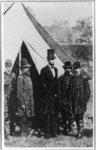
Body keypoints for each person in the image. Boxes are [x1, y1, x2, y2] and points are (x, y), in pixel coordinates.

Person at [69, 61, 91, 139]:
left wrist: (83, 101)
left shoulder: (84, 78)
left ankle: (80, 132)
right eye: (74, 68)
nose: (75, 70)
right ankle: (78, 130)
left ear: (80, 69)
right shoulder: (72, 79)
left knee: (80, 117)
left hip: (80, 102)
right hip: (74, 102)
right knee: (75, 116)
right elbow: (70, 92)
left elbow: (88, 92)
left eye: (77, 68)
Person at [40, 49, 59, 139]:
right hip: (47, 97)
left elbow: (56, 83)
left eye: (53, 59)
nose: (53, 61)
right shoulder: (43, 70)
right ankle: (47, 134)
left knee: (54, 115)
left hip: (54, 97)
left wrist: (55, 94)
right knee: (47, 115)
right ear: (48, 60)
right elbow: (41, 84)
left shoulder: (56, 69)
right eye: (51, 59)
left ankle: (54, 133)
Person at [17, 58, 35, 136]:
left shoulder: (28, 77)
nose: (28, 69)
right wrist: (22, 104)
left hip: (29, 101)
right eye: (26, 67)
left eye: (28, 67)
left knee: (28, 117)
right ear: (23, 69)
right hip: (24, 102)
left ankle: (26, 132)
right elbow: (19, 92)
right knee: (23, 118)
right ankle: (22, 133)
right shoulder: (20, 78)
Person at [59, 61, 74, 135]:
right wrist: (60, 99)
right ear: (64, 69)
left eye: (69, 68)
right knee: (64, 115)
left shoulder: (73, 78)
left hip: (71, 100)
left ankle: (71, 127)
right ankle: (65, 128)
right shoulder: (61, 78)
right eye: (66, 68)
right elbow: (59, 90)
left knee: (71, 114)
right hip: (64, 100)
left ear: (71, 69)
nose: (68, 70)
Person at [4, 59, 18, 136]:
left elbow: (15, 87)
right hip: (6, 98)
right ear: (5, 66)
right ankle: (6, 132)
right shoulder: (3, 75)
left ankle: (12, 131)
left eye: (10, 66)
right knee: (6, 116)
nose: (9, 68)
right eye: (7, 66)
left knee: (12, 115)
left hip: (12, 99)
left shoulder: (13, 75)